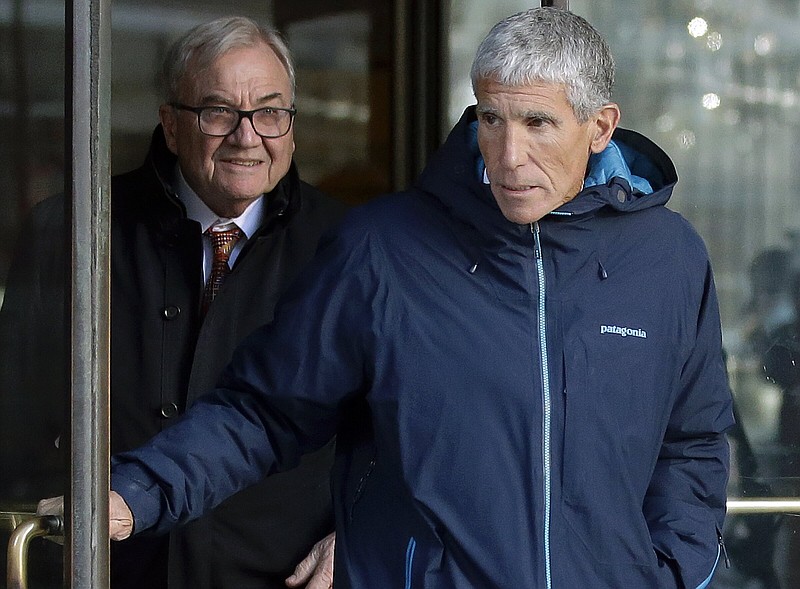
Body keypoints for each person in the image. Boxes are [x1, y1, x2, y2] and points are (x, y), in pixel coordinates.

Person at [100, 8, 734, 588]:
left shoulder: (669, 259)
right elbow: (267, 411)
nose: (509, 155)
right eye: (491, 118)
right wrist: (139, 490)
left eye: (538, 122)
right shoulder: (383, 250)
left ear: (600, 127)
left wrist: (673, 572)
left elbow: (693, 439)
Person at [0, 16, 345, 589]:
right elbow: (15, 426)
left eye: (269, 112)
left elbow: (396, 437)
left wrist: (353, 537)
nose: (246, 135)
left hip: (278, 578)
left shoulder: (347, 246)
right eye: (218, 112)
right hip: (105, 573)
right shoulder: (73, 230)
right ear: (171, 124)